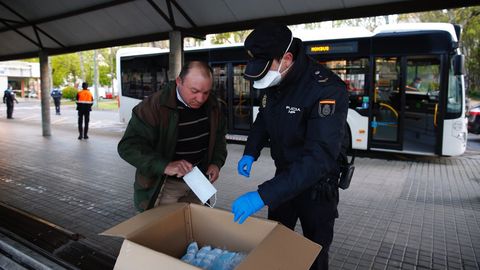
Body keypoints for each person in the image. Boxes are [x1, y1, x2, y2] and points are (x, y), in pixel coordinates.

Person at [231, 23, 348, 270]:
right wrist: (251, 151)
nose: (262, 77)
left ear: (287, 58)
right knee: (276, 244)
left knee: (314, 253)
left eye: (265, 69)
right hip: (284, 179)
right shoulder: (277, 82)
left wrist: (262, 195)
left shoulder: (326, 89)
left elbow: (319, 158)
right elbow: (264, 117)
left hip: (317, 188)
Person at [117, 61, 227, 212]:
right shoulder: (152, 107)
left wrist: (216, 162)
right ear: (179, 82)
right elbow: (128, 147)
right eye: (194, 91)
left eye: (206, 92)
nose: (201, 99)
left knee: (193, 231)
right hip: (164, 186)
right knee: (164, 233)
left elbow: (219, 138)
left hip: (198, 183)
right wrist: (165, 165)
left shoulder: (214, 105)